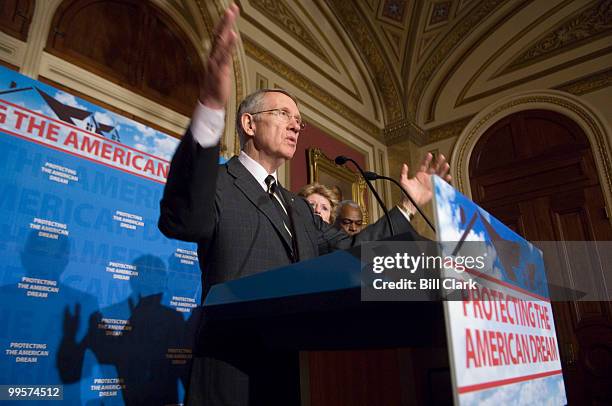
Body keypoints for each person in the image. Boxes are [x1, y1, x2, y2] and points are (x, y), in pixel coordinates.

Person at [157, 4, 451, 405]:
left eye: (299, 119)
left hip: (291, 367)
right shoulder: (221, 183)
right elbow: (182, 220)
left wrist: (406, 208)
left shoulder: (298, 207)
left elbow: (350, 250)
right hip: (228, 367)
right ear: (248, 124)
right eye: (284, 114)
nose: (296, 125)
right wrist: (210, 104)